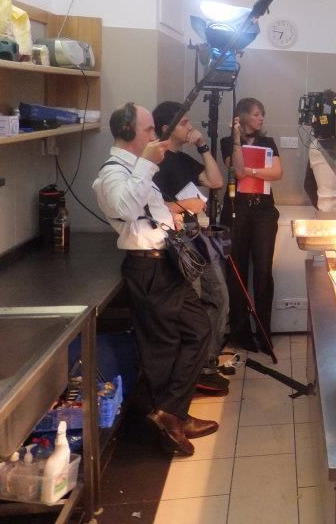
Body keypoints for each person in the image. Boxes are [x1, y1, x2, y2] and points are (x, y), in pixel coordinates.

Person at [92, 102, 217, 457]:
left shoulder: (137, 169)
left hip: (167, 263)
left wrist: (169, 220)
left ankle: (173, 412)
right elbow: (124, 208)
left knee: (199, 329)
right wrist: (148, 163)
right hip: (148, 268)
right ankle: (170, 420)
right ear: (128, 133)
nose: (154, 136)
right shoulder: (112, 173)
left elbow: (149, 209)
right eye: (148, 130)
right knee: (164, 347)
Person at [151, 101, 229, 396]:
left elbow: (216, 181)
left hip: (198, 236)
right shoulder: (153, 162)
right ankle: (189, 372)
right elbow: (146, 206)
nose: (190, 127)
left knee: (219, 296)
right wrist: (184, 205)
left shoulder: (183, 160)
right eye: (184, 123)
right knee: (192, 305)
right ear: (166, 128)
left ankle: (206, 364)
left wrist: (202, 146)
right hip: (176, 242)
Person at [220, 97, 283, 350]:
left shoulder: (268, 142)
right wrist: (236, 138)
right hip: (237, 210)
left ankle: (264, 332)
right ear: (242, 116)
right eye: (256, 114)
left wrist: (252, 171)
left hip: (264, 211)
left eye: (262, 114)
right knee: (237, 272)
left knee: (263, 272)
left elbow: (277, 172)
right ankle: (241, 333)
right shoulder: (227, 142)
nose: (261, 118)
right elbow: (236, 169)